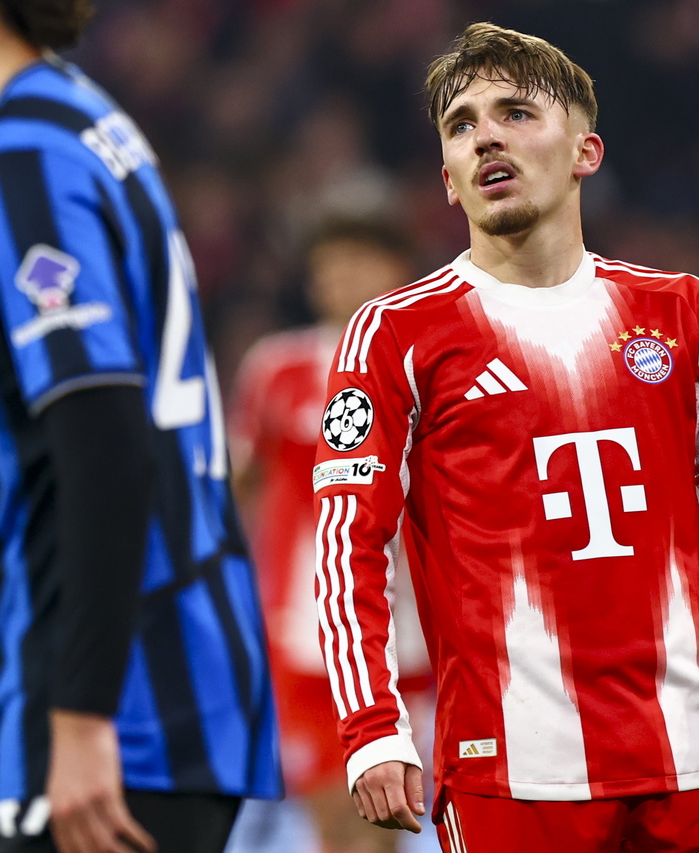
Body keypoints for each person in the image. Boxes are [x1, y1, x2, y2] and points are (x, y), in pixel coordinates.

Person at [312, 22, 699, 853]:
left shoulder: (682, 311)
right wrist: (372, 724)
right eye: (461, 125)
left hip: (697, 759)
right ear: (448, 180)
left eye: (515, 113)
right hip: (513, 778)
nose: (485, 136)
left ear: (586, 152)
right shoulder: (396, 333)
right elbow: (348, 543)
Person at [0, 0, 283, 851]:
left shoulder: (26, 160)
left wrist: (81, 715)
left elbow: (107, 448)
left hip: (122, 711)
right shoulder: (81, 123)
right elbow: (56, 470)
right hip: (167, 685)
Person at [229, 218, 433, 853]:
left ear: (398, 270)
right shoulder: (277, 366)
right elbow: (240, 483)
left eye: (361, 261)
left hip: (415, 631)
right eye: (331, 265)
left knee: (386, 823)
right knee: (333, 824)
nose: (343, 278)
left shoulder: (433, 358)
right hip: (307, 629)